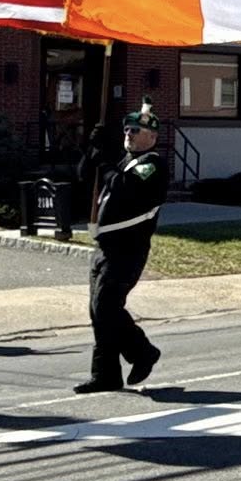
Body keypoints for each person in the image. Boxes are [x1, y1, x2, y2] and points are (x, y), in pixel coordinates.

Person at [77, 100, 167, 394]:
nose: (128, 133)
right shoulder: (123, 161)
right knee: (98, 311)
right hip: (105, 247)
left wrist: (104, 158)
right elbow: (85, 176)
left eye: (136, 130)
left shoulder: (152, 165)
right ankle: (106, 374)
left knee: (107, 308)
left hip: (128, 249)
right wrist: (92, 149)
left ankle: (142, 351)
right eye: (127, 129)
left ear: (151, 137)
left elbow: (123, 188)